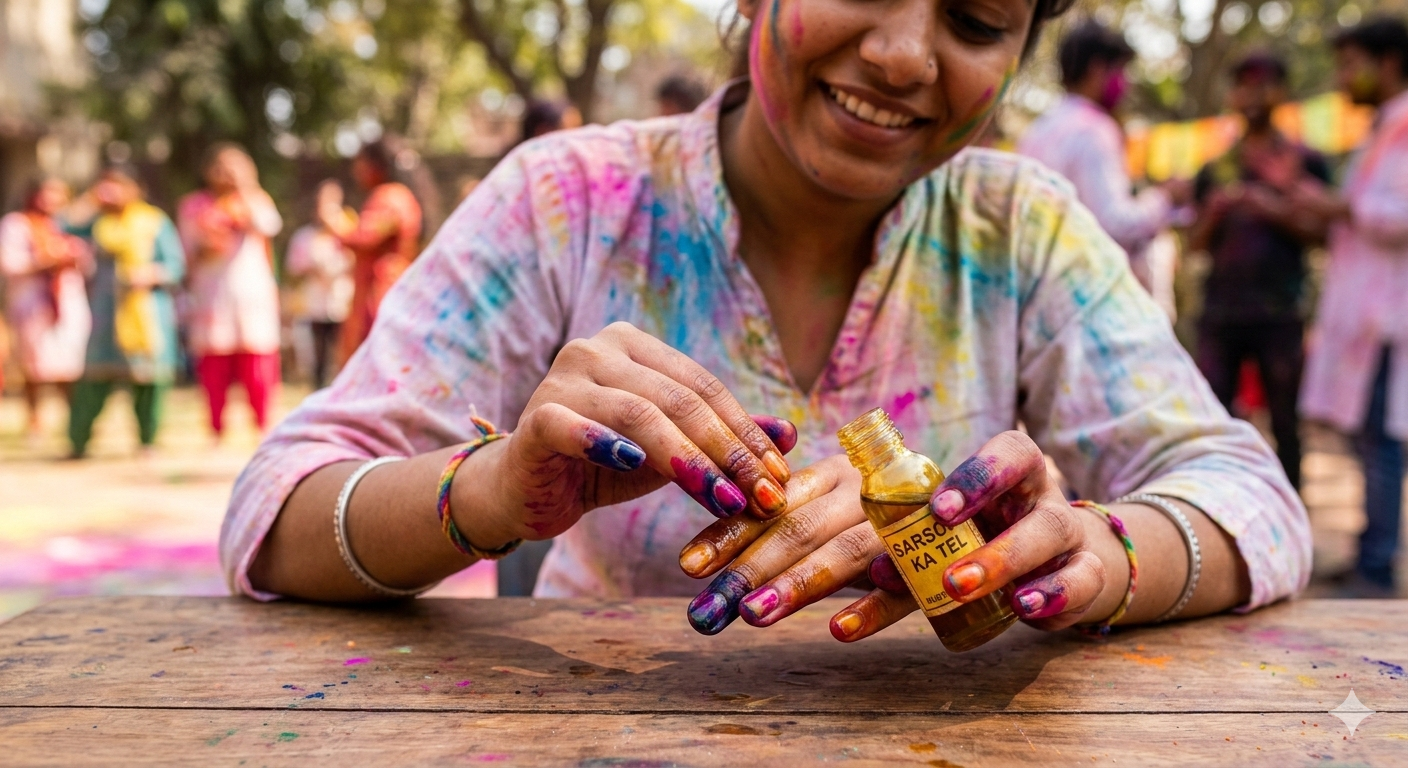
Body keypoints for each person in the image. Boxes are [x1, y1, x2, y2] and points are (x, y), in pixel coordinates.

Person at [223, 0, 1308, 643]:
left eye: (975, 20)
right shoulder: (570, 202)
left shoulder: (1018, 229)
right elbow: (274, 516)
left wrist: (1096, 554)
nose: (901, 53)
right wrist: (497, 488)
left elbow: (1249, 498)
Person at [1298, 16, 1408, 597]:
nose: (1343, 77)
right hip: (1370, 315)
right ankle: (1372, 551)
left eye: (1350, 63)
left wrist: (1342, 208)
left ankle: (1378, 565)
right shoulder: (1381, 128)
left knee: (1383, 441)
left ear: (1387, 62)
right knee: (1370, 438)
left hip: (1390, 318)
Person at [1190, 54, 1331, 492]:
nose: (1251, 95)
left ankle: (1293, 531)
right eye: (1243, 85)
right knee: (1217, 424)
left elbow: (1324, 234)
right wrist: (1213, 216)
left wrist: (1273, 210)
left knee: (1286, 422)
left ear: (1281, 93)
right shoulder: (1217, 166)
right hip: (1221, 314)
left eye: (1262, 84)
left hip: (1280, 314)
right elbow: (1194, 244)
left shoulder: (1304, 162)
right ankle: (1222, 514)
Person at [1017, 22, 1191, 294]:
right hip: (1080, 290)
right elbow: (1115, 224)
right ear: (1097, 69)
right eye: (1122, 72)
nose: (1127, 84)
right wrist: (1165, 197)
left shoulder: (1038, 129)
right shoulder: (1094, 130)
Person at [68, 164, 185, 458]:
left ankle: (147, 441)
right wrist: (91, 200)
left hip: (146, 313)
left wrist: (150, 274)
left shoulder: (154, 223)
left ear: (136, 189)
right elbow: (60, 225)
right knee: (94, 382)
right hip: (105, 315)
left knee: (148, 381)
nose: (112, 191)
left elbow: (176, 266)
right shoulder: (95, 223)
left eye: (118, 185)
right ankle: (78, 442)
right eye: (106, 185)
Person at [177, 144, 283, 440]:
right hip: (212, 294)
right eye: (221, 166)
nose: (227, 173)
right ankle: (215, 428)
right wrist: (204, 247)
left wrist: (246, 191)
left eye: (234, 167)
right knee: (214, 362)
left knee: (257, 360)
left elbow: (268, 226)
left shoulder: (256, 201)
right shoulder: (195, 206)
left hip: (251, 293)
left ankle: (262, 425)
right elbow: (185, 249)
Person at [0, 179, 93, 439]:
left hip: (67, 301)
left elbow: (88, 263)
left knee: (70, 364)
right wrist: (45, 261)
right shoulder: (17, 224)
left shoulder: (68, 225)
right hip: (32, 303)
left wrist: (73, 257)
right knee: (33, 366)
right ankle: (34, 422)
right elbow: (9, 262)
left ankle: (75, 423)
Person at [317, 140, 422, 363]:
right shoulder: (398, 196)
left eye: (361, 162)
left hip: (380, 291)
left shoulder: (391, 197)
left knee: (374, 357)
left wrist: (332, 220)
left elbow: (366, 237)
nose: (356, 170)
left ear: (377, 165)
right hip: (385, 288)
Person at [286, 181, 355, 389]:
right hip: (315, 304)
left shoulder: (349, 232)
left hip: (342, 302)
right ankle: (319, 390)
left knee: (344, 352)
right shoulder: (305, 237)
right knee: (318, 355)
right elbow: (293, 269)